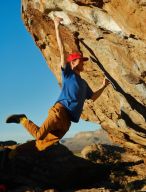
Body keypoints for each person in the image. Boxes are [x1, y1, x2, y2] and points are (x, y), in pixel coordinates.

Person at [6, 17, 109, 151]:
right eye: (80, 60)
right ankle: (23, 119)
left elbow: (93, 97)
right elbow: (62, 51)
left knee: (42, 145)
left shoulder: (84, 84)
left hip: (67, 122)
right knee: (39, 135)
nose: (83, 62)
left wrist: (104, 85)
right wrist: (56, 26)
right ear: (72, 63)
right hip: (59, 112)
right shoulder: (68, 74)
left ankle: (15, 152)